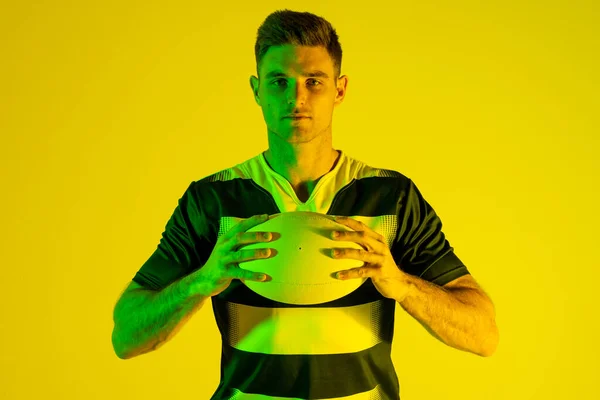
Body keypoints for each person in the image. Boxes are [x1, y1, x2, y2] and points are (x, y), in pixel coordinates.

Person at [111, 9, 498, 400]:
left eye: (314, 81)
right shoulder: (213, 200)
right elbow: (127, 336)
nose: (296, 98)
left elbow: (483, 334)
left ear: (340, 89)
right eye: (279, 82)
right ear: (257, 90)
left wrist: (401, 285)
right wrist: (203, 280)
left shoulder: (391, 196)